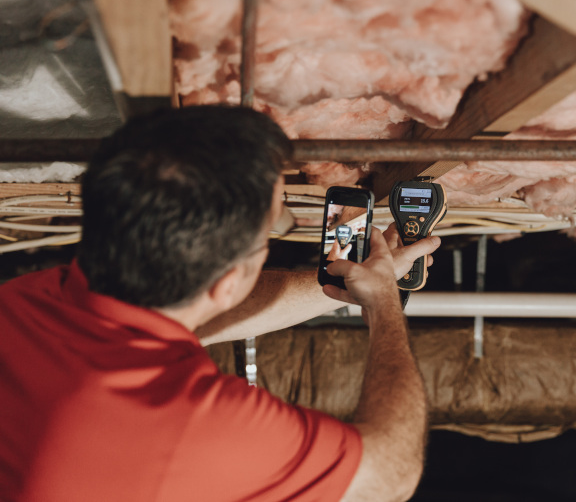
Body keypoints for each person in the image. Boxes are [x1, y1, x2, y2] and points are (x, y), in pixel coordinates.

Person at [0, 106, 441, 501]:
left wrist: (352, 284)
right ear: (228, 283)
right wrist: (384, 306)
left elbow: (210, 314)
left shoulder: (22, 302)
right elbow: (389, 473)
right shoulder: (191, 422)